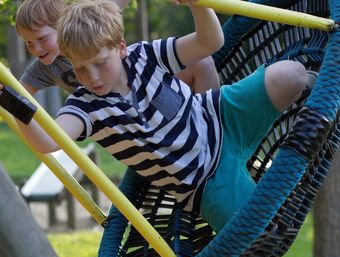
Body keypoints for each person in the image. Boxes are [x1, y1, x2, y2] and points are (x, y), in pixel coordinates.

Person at [1, 0, 310, 233]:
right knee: (256, 232)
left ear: (120, 48)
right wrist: (11, 103)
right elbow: (48, 142)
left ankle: (322, 95)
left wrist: (196, 5)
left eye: (100, 62)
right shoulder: (85, 106)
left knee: (292, 75)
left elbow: (209, 43)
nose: (92, 76)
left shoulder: (145, 54)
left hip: (220, 116)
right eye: (80, 67)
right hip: (204, 180)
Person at [15, 0, 219, 96]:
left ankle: (209, 125)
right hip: (117, 114)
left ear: (62, 25)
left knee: (202, 63)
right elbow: (18, 94)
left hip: (141, 85)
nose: (36, 48)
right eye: (28, 42)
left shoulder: (87, 23)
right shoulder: (43, 69)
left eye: (41, 38)